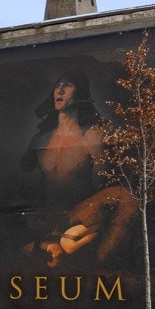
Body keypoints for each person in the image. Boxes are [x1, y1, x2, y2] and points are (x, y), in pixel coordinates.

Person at [21, 70, 104, 213]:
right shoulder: (41, 139)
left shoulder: (92, 136)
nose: (59, 90)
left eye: (67, 85)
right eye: (57, 86)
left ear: (80, 94)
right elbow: (24, 167)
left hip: (80, 220)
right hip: (47, 216)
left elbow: (101, 188)